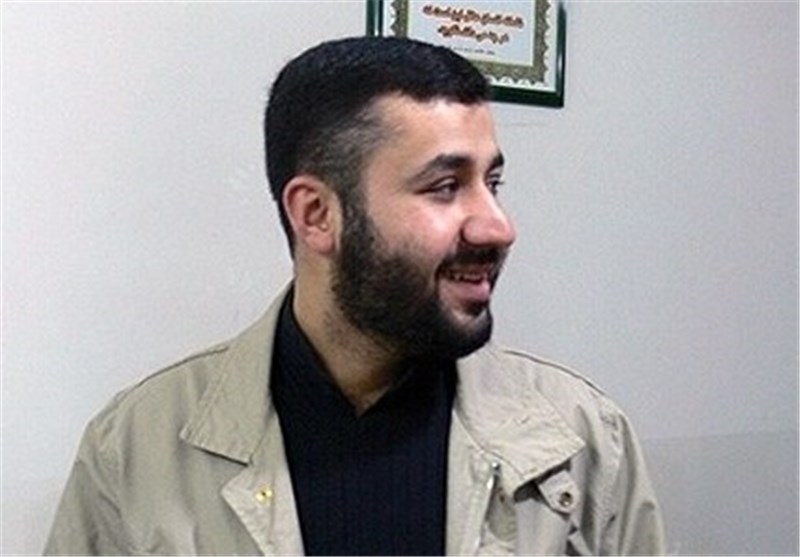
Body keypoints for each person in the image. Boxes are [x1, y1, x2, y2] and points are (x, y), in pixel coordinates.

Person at [45, 36, 665, 555]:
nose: (497, 226)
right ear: (317, 215)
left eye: (492, 182)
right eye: (445, 186)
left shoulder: (584, 439)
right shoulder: (135, 449)